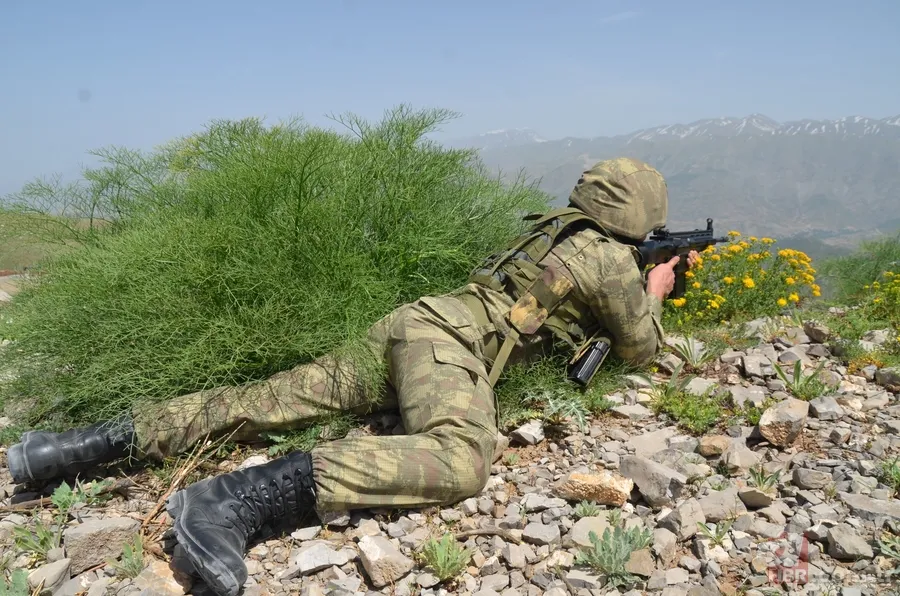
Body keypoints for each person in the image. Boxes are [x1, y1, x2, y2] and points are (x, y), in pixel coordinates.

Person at [7, 157, 698, 596]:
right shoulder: (611, 259)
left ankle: (66, 449)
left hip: (409, 326)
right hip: (445, 347)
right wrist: (659, 288)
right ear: (643, 215)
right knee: (462, 460)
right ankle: (227, 506)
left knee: (262, 399)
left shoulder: (555, 229)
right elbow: (640, 349)